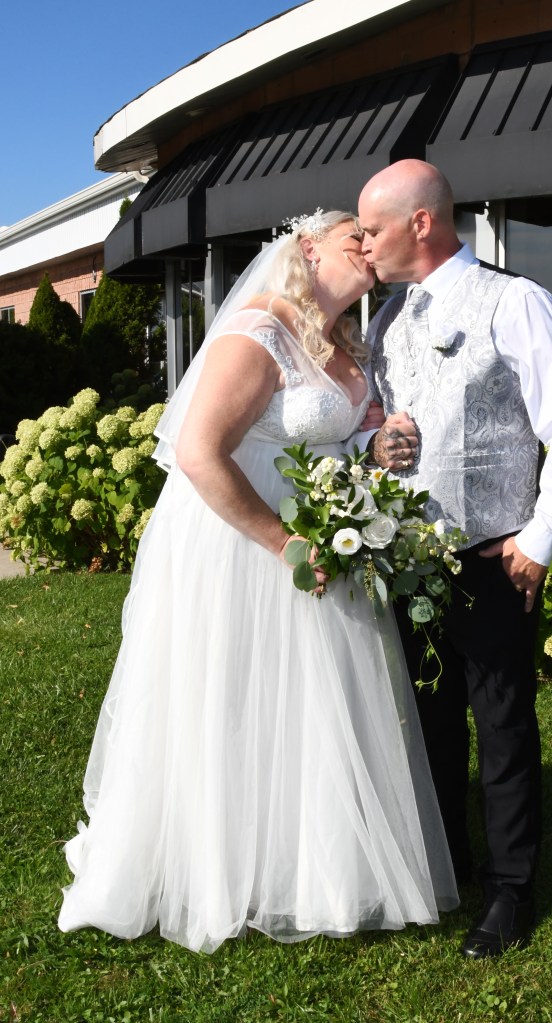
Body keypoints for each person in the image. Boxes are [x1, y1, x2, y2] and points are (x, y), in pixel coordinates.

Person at [58, 210, 458, 952]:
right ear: (307, 249)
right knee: (232, 695)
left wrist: (379, 445)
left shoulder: (346, 345)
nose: (369, 248)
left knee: (311, 701)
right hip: (243, 544)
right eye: (353, 238)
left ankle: (313, 870)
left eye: (375, 237)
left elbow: (340, 431)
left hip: (324, 541)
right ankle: (213, 864)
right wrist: (286, 545)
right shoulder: (257, 330)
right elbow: (201, 450)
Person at [357, 160, 552, 958]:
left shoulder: (516, 301)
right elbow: (369, 420)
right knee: (428, 721)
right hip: (407, 556)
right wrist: (373, 443)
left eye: (372, 229)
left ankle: (510, 888)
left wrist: (540, 536)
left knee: (501, 724)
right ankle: (448, 862)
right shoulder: (385, 319)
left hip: (490, 558)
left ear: (421, 222)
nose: (363, 246)